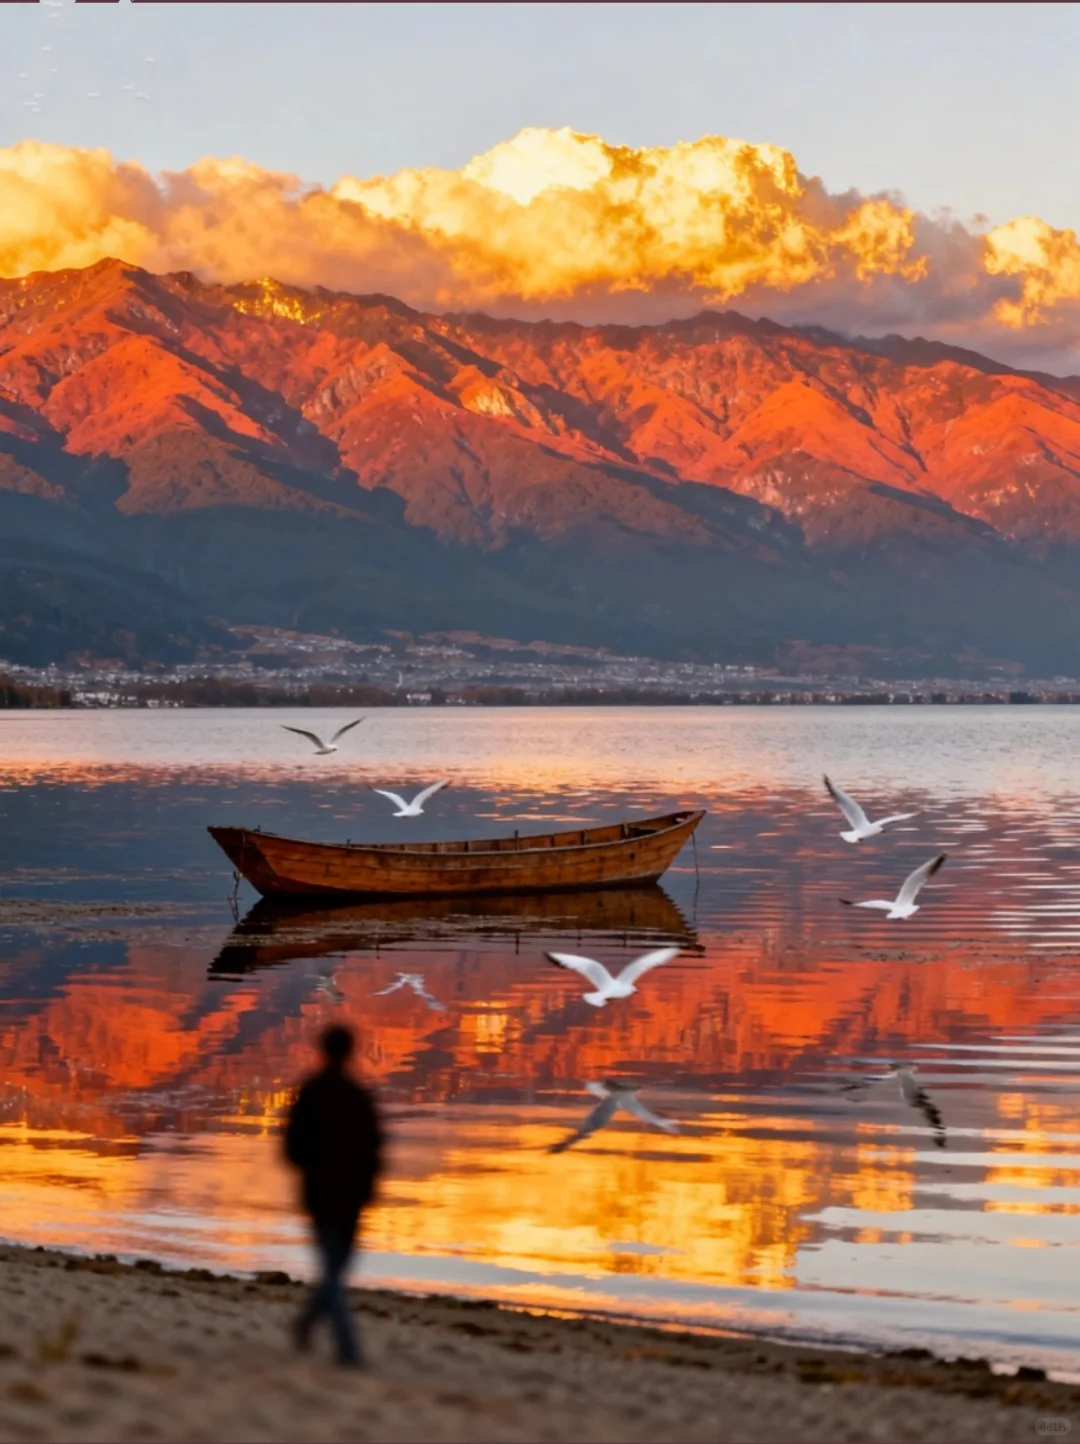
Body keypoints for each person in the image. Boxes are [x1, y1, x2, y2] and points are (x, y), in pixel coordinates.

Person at [283, 1024, 384, 1367]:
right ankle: (348, 1350)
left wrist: (313, 1169)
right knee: (335, 1271)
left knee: (333, 1271)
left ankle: (305, 1324)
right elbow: (375, 1151)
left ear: (323, 1050)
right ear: (350, 1051)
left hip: (322, 1195)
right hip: (351, 1196)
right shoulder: (359, 1096)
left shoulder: (312, 1093)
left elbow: (292, 1148)